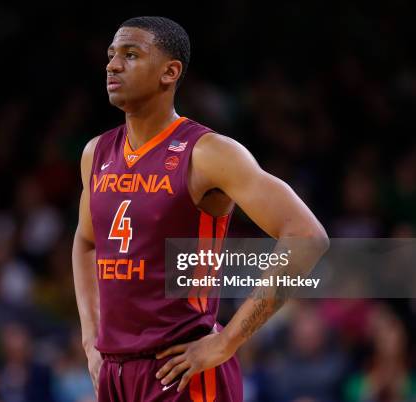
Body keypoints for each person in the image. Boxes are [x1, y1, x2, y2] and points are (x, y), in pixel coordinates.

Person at [72, 16, 329, 402]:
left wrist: (227, 341)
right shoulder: (96, 152)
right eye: (111, 55)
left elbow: (307, 237)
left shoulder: (208, 152)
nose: (112, 65)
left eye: (130, 54)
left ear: (169, 72)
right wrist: (91, 339)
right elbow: (85, 242)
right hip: (116, 373)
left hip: (182, 371)